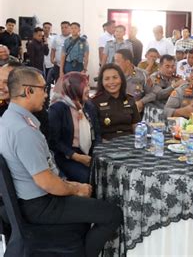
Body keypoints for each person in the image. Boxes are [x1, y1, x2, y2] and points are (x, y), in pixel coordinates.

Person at [0, 66, 122, 257]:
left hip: (28, 199)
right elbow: (46, 182)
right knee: (112, 214)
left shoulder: (8, 118)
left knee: (87, 205)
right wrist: (77, 189)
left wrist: (70, 184)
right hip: (40, 204)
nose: (47, 95)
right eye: (43, 89)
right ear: (28, 91)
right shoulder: (23, 130)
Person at [48, 72, 100, 183]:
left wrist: (96, 153)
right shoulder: (58, 109)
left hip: (88, 152)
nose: (88, 88)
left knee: (105, 172)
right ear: (73, 88)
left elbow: (97, 133)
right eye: (85, 85)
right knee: (88, 176)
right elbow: (54, 141)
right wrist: (76, 157)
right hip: (67, 156)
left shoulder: (88, 106)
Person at [92, 63, 140, 141]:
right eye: (107, 79)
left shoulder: (130, 99)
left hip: (129, 142)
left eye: (115, 77)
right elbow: (93, 132)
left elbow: (136, 126)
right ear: (102, 82)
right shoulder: (95, 102)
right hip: (106, 143)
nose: (111, 82)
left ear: (121, 79)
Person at [114, 48, 154, 113]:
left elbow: (152, 94)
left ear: (127, 62)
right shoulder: (113, 76)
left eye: (117, 61)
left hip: (137, 112)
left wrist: (141, 102)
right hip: (117, 111)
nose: (115, 64)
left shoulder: (143, 75)